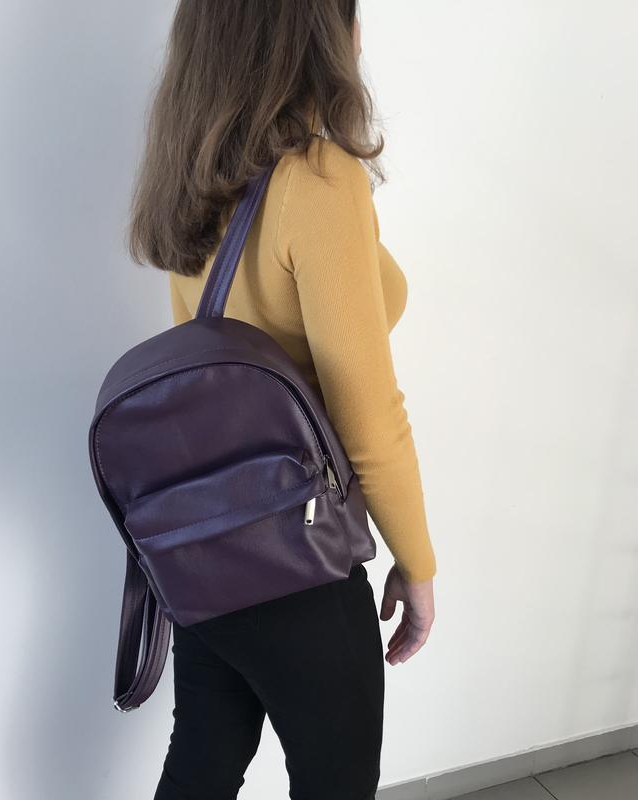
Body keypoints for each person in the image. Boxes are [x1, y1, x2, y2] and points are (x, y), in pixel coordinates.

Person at [127, 2, 437, 798]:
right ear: (321, 33)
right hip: (297, 555)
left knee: (201, 763)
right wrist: (417, 563)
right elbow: (370, 418)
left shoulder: (195, 173)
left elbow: (206, 365)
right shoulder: (320, 181)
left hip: (203, 549)